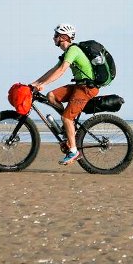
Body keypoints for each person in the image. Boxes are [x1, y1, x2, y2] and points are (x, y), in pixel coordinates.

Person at [31, 23, 99, 165]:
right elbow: (53, 70)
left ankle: (74, 151)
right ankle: (70, 125)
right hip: (79, 85)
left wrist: (43, 84)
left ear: (63, 37)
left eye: (56, 35)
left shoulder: (73, 50)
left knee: (66, 119)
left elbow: (61, 70)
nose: (53, 38)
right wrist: (35, 83)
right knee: (51, 96)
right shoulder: (66, 53)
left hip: (87, 88)